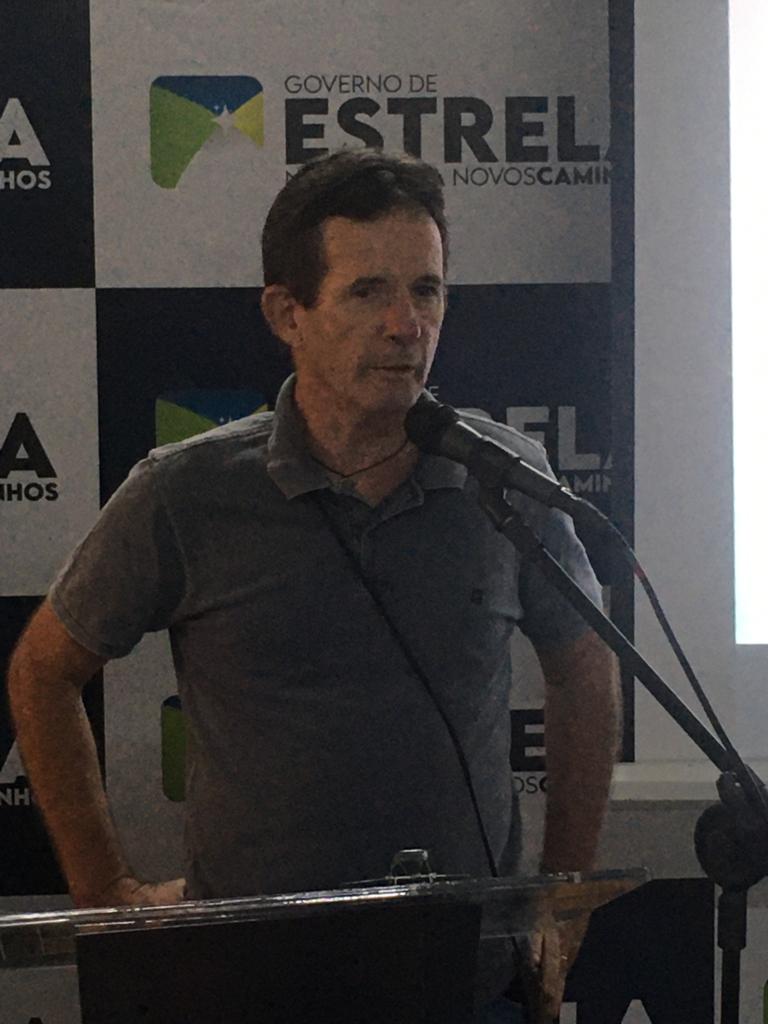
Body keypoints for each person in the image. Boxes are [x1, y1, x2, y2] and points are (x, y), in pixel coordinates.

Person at [7, 148, 620, 1020]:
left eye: (427, 290)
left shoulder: (502, 480)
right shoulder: (186, 493)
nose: (407, 325)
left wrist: (563, 893)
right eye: (368, 292)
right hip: (248, 989)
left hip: (465, 983)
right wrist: (104, 894)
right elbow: (43, 672)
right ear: (286, 313)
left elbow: (585, 665)